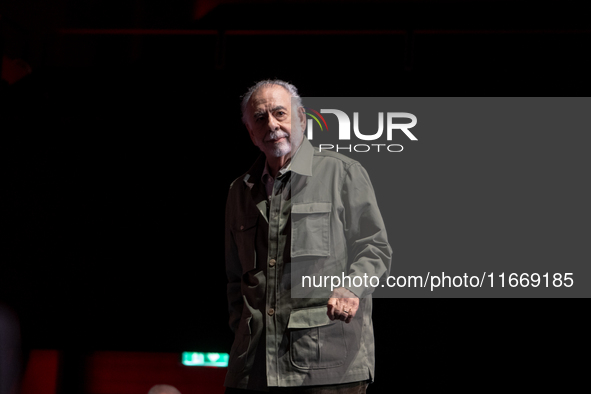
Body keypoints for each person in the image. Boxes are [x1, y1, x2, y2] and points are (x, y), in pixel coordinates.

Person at [224, 79, 391, 393]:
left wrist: (353, 287)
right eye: (260, 118)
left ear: (301, 119)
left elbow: (376, 248)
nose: (272, 125)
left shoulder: (343, 173)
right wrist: (242, 334)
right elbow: (236, 280)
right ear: (251, 133)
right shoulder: (239, 191)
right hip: (254, 368)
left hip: (326, 366)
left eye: (280, 114)